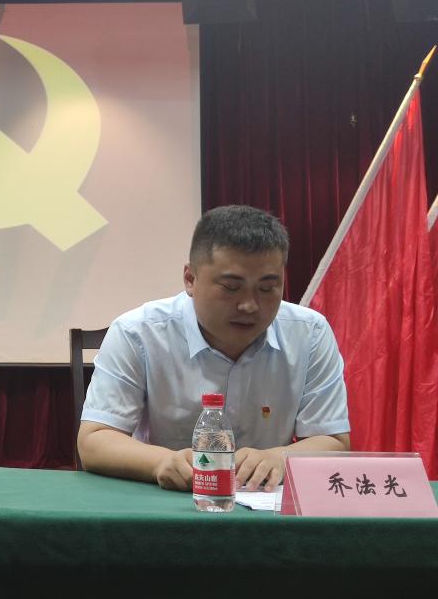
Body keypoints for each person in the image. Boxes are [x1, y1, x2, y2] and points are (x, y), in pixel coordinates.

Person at [77, 204, 350, 492]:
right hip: (166, 499)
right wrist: (160, 462)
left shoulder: (310, 333)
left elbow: (333, 440)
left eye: (267, 288)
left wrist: (279, 458)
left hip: (264, 502)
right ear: (190, 279)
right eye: (231, 287)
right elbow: (94, 440)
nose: (249, 305)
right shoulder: (138, 332)